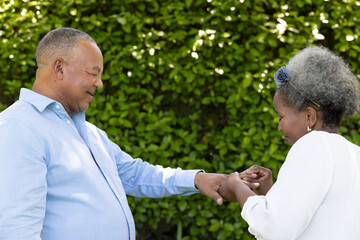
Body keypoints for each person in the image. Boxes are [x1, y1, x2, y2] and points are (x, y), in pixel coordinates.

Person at [0, 27, 228, 240]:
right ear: (59, 68)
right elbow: (17, 230)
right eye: (93, 73)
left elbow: (135, 174)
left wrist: (197, 179)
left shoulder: (90, 133)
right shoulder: (19, 127)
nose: (99, 84)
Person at [219, 46, 360, 239]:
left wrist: (236, 185)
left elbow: (273, 229)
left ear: (309, 116)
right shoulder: (353, 153)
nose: (279, 127)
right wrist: (271, 193)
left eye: (280, 117)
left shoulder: (313, 143)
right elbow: (322, 219)